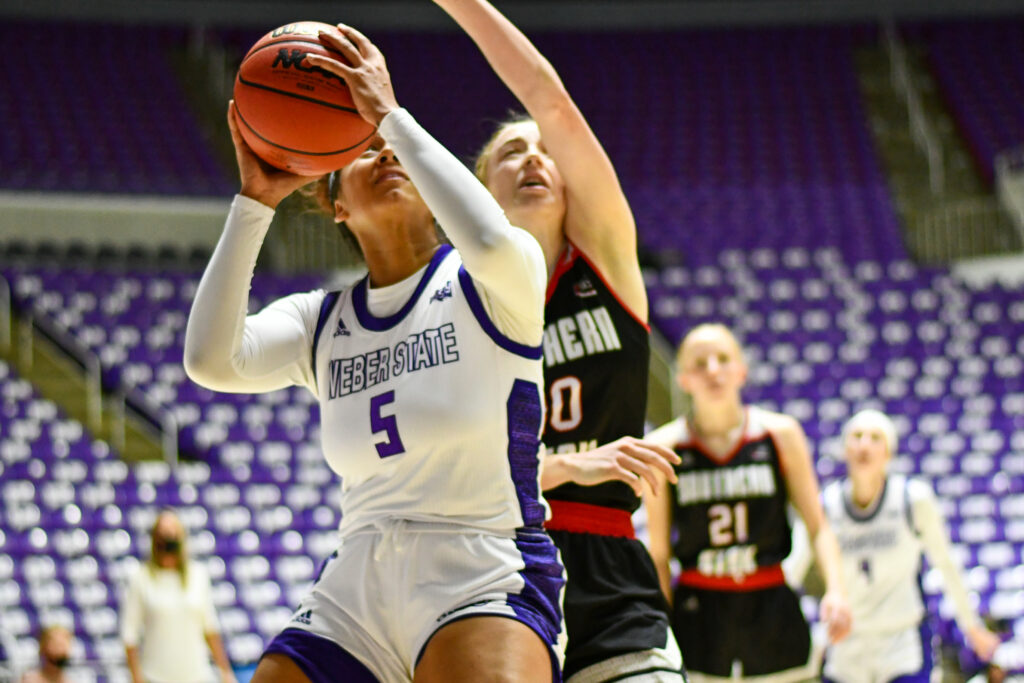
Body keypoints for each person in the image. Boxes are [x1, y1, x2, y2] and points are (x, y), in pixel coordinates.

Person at [183, 23, 564, 683]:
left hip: (479, 565)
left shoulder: (496, 277)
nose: (388, 154)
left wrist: (388, 114)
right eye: (365, 149)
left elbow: (491, 238)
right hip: (357, 578)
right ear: (332, 201)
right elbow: (211, 360)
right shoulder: (322, 319)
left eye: (398, 149)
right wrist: (254, 201)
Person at [431, 1, 686, 680]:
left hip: (607, 567)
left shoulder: (605, 260)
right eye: (511, 152)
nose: (535, 157)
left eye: (546, 151)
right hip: (496, 565)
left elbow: (548, 96)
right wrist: (571, 464)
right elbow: (446, 474)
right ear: (479, 192)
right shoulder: (451, 310)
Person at [646, 323, 852, 682]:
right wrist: (660, 622)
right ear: (682, 379)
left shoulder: (780, 435)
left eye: (723, 359)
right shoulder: (665, 447)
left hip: (771, 603)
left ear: (741, 370)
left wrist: (836, 589)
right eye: (699, 363)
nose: (713, 370)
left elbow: (817, 525)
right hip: (699, 613)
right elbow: (659, 554)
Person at [789, 409, 1001, 683]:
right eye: (857, 437)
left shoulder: (913, 499)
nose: (864, 444)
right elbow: (792, 571)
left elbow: (947, 564)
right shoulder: (824, 505)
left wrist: (972, 627)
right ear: (845, 449)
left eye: (875, 437)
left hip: (901, 642)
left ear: (889, 453)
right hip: (846, 643)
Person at [120, 509, 235, 683]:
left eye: (173, 532)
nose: (168, 538)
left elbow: (210, 627)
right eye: (163, 533)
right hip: (155, 676)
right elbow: (130, 634)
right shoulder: (141, 578)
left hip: (197, 676)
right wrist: (136, 678)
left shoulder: (198, 575)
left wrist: (225, 671)